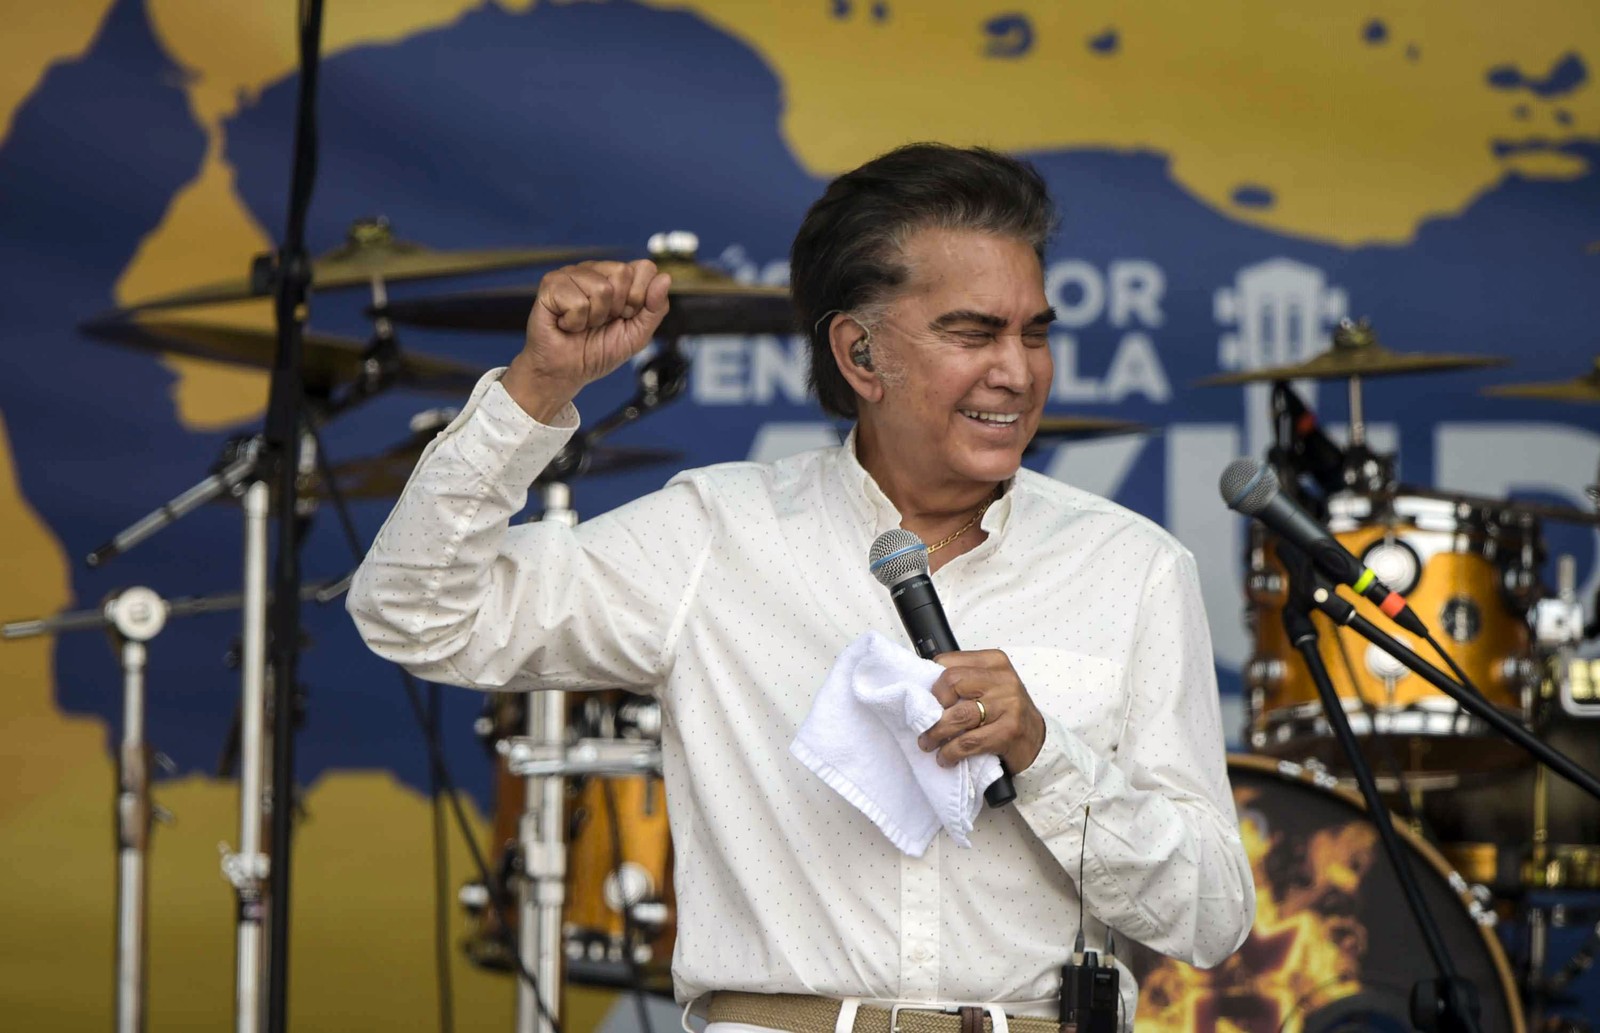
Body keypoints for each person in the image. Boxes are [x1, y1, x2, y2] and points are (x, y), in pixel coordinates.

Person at [348, 143, 1254, 1031]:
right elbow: (415, 615)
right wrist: (536, 389)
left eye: (1035, 332)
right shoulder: (717, 532)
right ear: (859, 354)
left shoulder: (1132, 567)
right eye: (973, 333)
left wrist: (1045, 754)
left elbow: (1212, 917)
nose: (1017, 371)